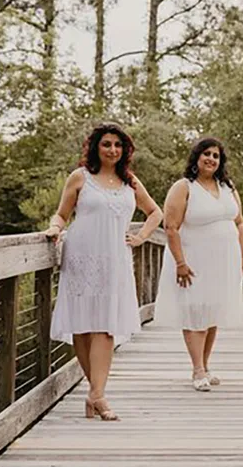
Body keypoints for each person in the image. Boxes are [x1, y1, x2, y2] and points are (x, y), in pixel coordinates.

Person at [45, 122, 163, 421]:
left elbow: (156, 213)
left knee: (106, 327)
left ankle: (97, 395)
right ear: (96, 147)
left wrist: (139, 238)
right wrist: (55, 229)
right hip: (82, 257)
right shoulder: (80, 177)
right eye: (107, 144)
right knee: (83, 327)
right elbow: (62, 213)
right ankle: (95, 394)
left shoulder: (130, 182)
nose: (113, 150)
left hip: (115, 259)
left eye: (118, 145)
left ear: (124, 151)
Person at [154, 137, 243, 391]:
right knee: (195, 310)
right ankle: (196, 369)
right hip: (194, 259)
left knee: (213, 310)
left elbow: (239, 222)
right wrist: (180, 263)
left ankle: (205, 365)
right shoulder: (184, 187)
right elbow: (170, 227)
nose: (211, 159)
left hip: (224, 260)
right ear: (196, 157)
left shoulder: (227, 187)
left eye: (216, 156)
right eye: (206, 154)